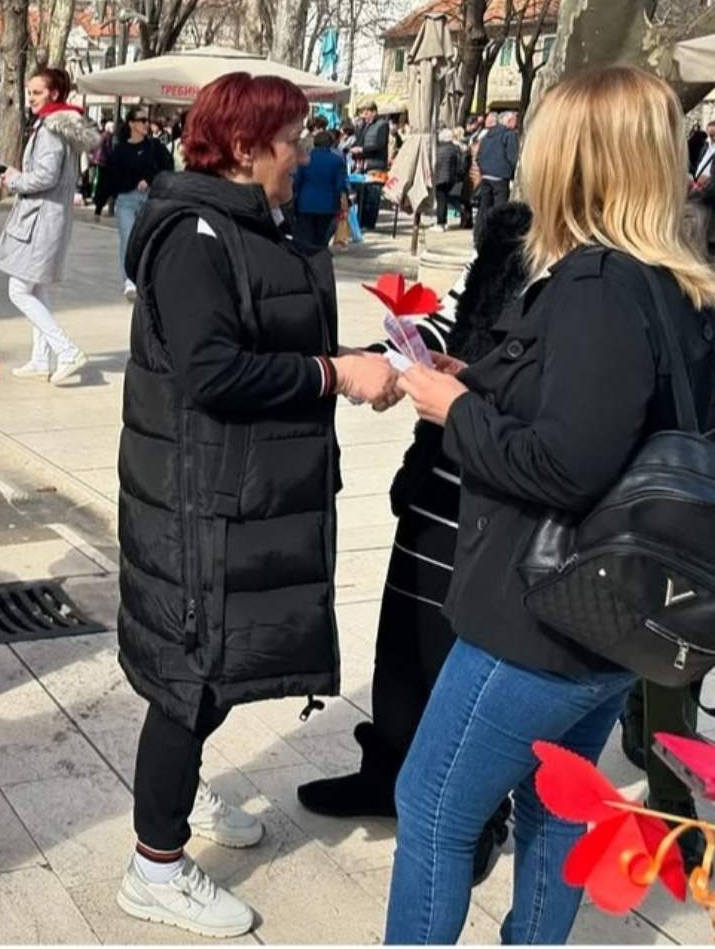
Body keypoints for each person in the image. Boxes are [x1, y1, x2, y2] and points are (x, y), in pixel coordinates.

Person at [387, 65, 715, 944]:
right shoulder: (673, 282)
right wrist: (475, 380)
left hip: (540, 618)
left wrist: (454, 412)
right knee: (557, 809)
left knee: (432, 809)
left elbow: (566, 464)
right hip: (614, 614)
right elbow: (597, 417)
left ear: (576, 163)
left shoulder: (602, 286)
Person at [114, 71, 401, 937]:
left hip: (235, 494)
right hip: (203, 501)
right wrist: (330, 373)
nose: (305, 156)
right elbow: (211, 372)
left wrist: (347, 357)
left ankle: (180, 794)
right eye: (292, 141)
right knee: (190, 677)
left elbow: (260, 337)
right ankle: (153, 864)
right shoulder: (195, 235)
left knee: (213, 667)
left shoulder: (241, 223)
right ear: (244, 148)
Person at [296, 203, 533, 882]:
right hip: (441, 461)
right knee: (403, 636)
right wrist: (391, 358)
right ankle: (386, 774)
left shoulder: (599, 271)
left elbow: (560, 394)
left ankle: (478, 813)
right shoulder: (506, 240)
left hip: (508, 487)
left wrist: (470, 388)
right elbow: (447, 320)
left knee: (469, 657)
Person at [0, 67, 98, 386]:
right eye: (30, 92)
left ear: (54, 94)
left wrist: (15, 179)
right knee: (36, 286)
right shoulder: (60, 125)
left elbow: (45, 176)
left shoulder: (52, 128)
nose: (31, 98)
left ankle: (66, 350)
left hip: (40, 219)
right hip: (49, 217)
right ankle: (42, 358)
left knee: (19, 290)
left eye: (36, 92)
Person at [95, 108, 171, 299]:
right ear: (131, 124)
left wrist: (150, 179)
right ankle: (129, 281)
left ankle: (145, 279)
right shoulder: (119, 150)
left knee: (148, 239)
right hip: (126, 200)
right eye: (142, 120)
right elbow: (109, 178)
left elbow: (168, 167)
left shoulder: (154, 147)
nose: (147, 124)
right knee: (128, 239)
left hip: (150, 200)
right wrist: (99, 205)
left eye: (148, 120)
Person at [291, 126, 349, 249]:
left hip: (305, 204)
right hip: (328, 206)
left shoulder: (305, 159)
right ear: (331, 143)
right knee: (322, 241)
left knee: (305, 241)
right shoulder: (337, 161)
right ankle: (319, 262)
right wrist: (344, 202)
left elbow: (296, 182)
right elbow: (340, 185)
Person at [471, 110, 519, 247]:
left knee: (483, 208)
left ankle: (478, 236)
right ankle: (498, 238)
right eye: (515, 120)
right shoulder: (509, 135)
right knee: (500, 208)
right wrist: (512, 171)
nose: (516, 123)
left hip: (486, 176)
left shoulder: (487, 135)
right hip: (500, 177)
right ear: (509, 121)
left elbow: (479, 156)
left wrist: (484, 169)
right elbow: (512, 157)